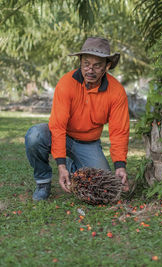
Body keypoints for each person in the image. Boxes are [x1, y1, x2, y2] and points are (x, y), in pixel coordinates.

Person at [25, 37, 130, 201]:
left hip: (89, 143)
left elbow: (119, 131)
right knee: (35, 135)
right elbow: (58, 127)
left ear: (107, 66)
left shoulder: (116, 91)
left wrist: (120, 166)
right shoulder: (66, 83)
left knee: (105, 190)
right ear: (80, 62)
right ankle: (43, 182)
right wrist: (60, 165)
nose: (90, 70)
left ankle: (73, 167)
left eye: (97, 65)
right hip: (62, 136)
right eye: (86, 64)